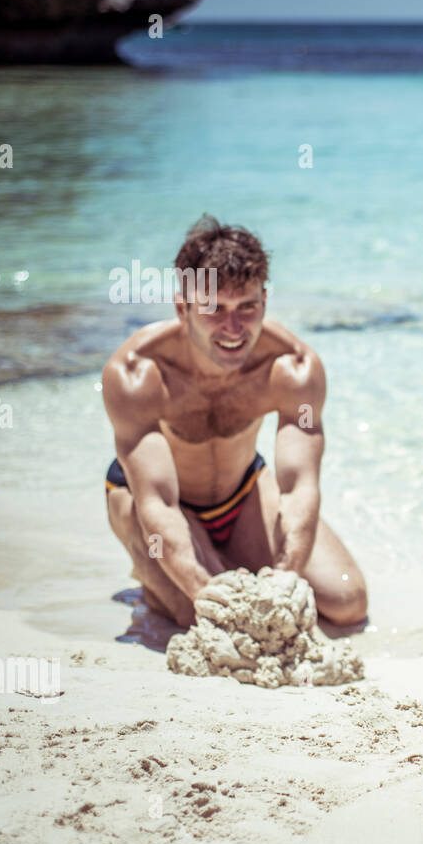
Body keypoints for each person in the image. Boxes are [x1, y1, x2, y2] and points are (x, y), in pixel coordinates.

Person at [101, 214, 368, 628]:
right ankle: (151, 571)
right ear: (182, 307)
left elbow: (299, 487)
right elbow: (158, 500)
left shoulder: (292, 367)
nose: (233, 328)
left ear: (264, 300)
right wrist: (199, 587)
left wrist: (288, 575)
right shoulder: (138, 373)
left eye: (247, 307)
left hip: (242, 490)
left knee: (347, 602)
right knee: (206, 616)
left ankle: (221, 557)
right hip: (154, 501)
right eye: (213, 309)